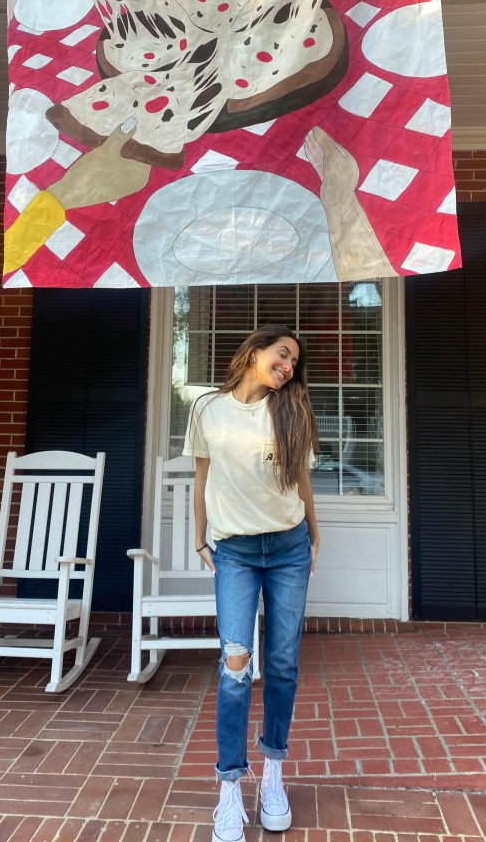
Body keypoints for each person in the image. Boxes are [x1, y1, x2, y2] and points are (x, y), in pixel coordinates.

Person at [183, 325, 321, 842]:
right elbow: (202, 476)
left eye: (293, 364)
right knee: (235, 665)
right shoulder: (207, 409)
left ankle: (274, 773)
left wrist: (315, 535)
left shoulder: (292, 409)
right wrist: (200, 539)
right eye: (282, 355)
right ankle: (229, 787)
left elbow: (302, 479)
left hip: (287, 548)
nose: (287, 367)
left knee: (282, 663)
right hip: (235, 552)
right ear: (255, 351)